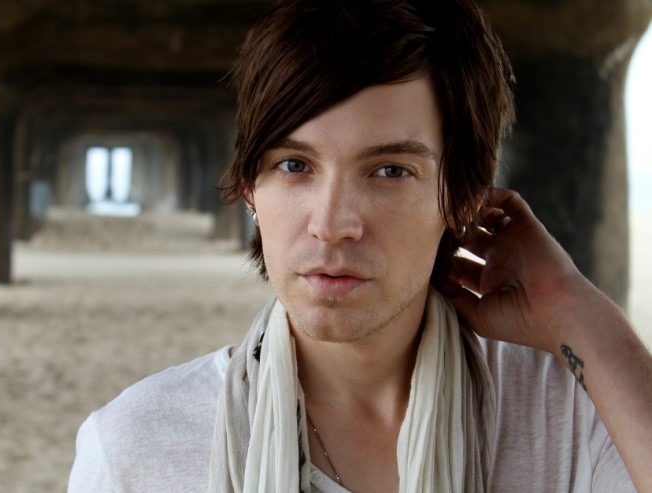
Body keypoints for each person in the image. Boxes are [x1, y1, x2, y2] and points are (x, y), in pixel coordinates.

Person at [68, 0, 652, 491]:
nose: (332, 224)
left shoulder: (574, 419)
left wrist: (576, 311)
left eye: (390, 171)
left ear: (462, 198)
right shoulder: (135, 448)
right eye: (294, 165)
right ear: (249, 188)